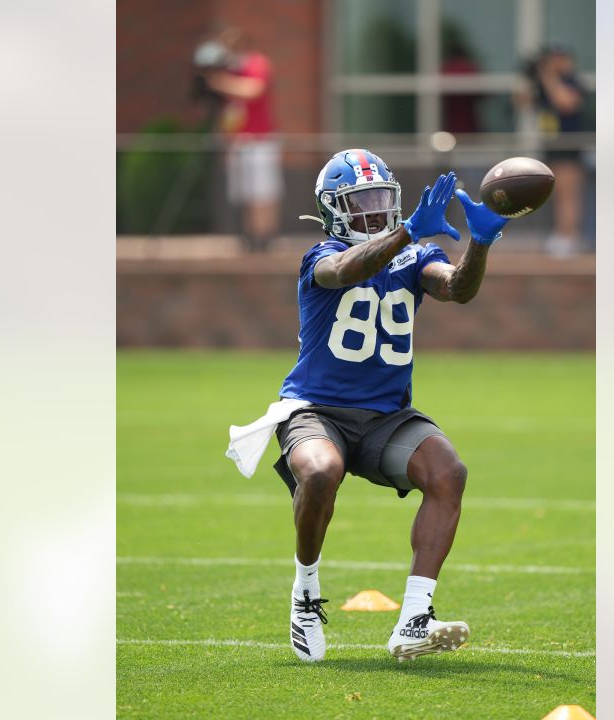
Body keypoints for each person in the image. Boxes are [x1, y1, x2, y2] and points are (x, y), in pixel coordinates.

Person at [259, 149, 508, 663]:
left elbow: (457, 289)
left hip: (385, 416)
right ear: (333, 210)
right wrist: (409, 232)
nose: (374, 212)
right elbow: (348, 268)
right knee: (322, 471)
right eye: (360, 202)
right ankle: (305, 592)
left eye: (381, 200)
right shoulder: (320, 256)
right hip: (316, 409)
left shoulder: (412, 255)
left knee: (448, 472)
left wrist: (480, 244)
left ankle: (415, 618)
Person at [201, 27, 281, 253]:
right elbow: (229, 113)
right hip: (238, 142)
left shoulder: (256, 64)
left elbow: (254, 89)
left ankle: (265, 237)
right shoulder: (229, 70)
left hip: (259, 141)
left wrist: (219, 82)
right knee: (245, 194)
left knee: (262, 192)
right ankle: (249, 237)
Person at [522, 43, 588, 257]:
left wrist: (549, 76)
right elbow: (524, 103)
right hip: (552, 146)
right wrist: (533, 77)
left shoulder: (571, 81)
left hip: (568, 146)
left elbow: (566, 103)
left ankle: (570, 237)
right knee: (558, 194)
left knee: (568, 194)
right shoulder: (545, 84)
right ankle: (563, 234)